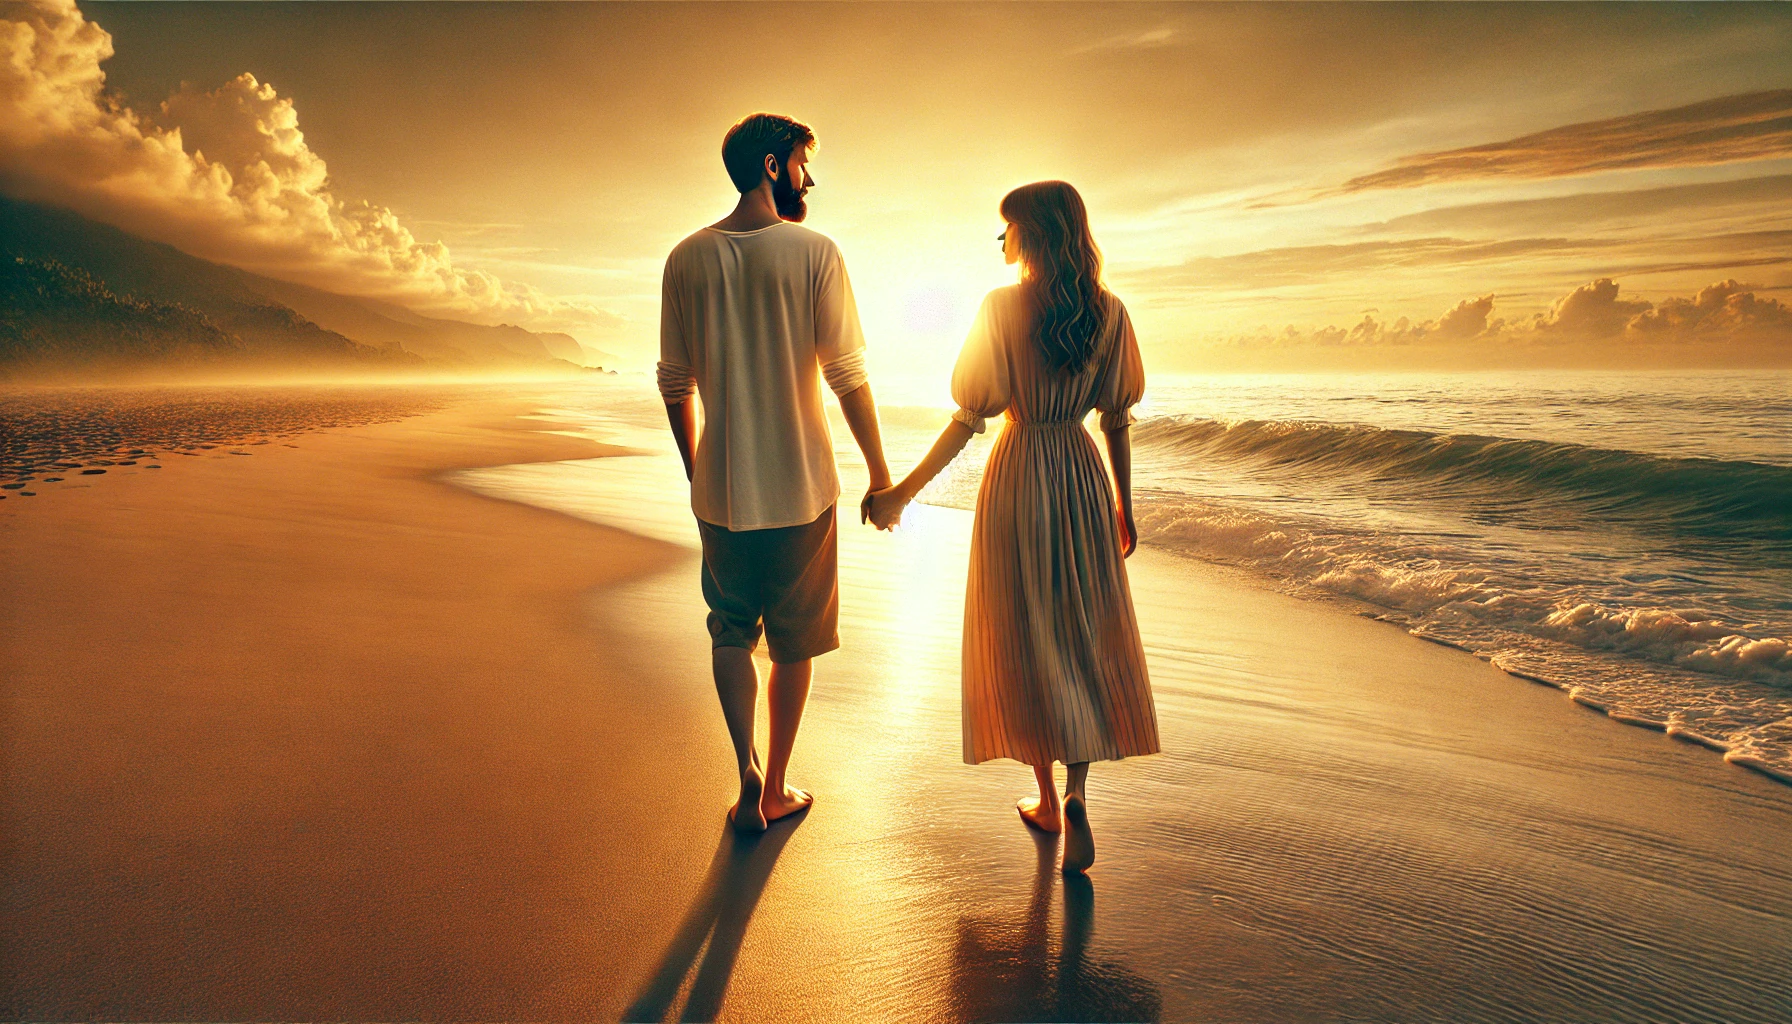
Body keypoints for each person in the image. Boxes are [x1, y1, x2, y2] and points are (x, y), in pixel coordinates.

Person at [868, 180, 1159, 873]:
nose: (1001, 242)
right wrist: (1125, 504)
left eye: (1008, 229)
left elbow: (969, 419)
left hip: (1021, 472)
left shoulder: (1000, 308)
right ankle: (1077, 789)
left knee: (1026, 633)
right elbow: (1116, 419)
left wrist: (902, 491)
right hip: (1082, 476)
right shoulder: (1111, 313)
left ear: (1032, 234)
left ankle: (1045, 802)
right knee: (1082, 635)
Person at [658, 112, 892, 832]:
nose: (808, 177)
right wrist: (881, 474)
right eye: (801, 163)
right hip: (801, 488)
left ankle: (744, 772)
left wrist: (701, 473)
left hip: (722, 491)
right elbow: (847, 374)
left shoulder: (685, 257)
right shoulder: (815, 251)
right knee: (794, 646)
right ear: (771, 165)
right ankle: (776, 788)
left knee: (731, 632)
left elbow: (675, 382)